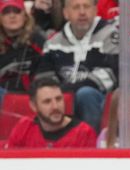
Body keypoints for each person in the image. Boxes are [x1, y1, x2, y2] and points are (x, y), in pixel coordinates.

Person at [36, 0, 118, 132]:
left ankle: (90, 144)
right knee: (47, 99)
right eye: (76, 7)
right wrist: (59, 94)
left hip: (102, 99)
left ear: (96, 10)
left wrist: (67, 90)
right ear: (65, 13)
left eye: (86, 6)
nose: (82, 12)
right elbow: (43, 78)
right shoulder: (53, 42)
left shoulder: (110, 34)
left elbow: (113, 74)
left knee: (85, 94)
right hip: (62, 97)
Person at [5, 75, 96, 147]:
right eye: (47, 102)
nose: (55, 107)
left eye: (59, 99)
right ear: (33, 106)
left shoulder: (84, 133)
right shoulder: (24, 127)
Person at [0, 0, 45, 97]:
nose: (12, 16)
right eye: (6, 12)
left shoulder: (37, 40)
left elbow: (45, 75)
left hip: (31, 97)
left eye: (16, 11)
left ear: (25, 16)